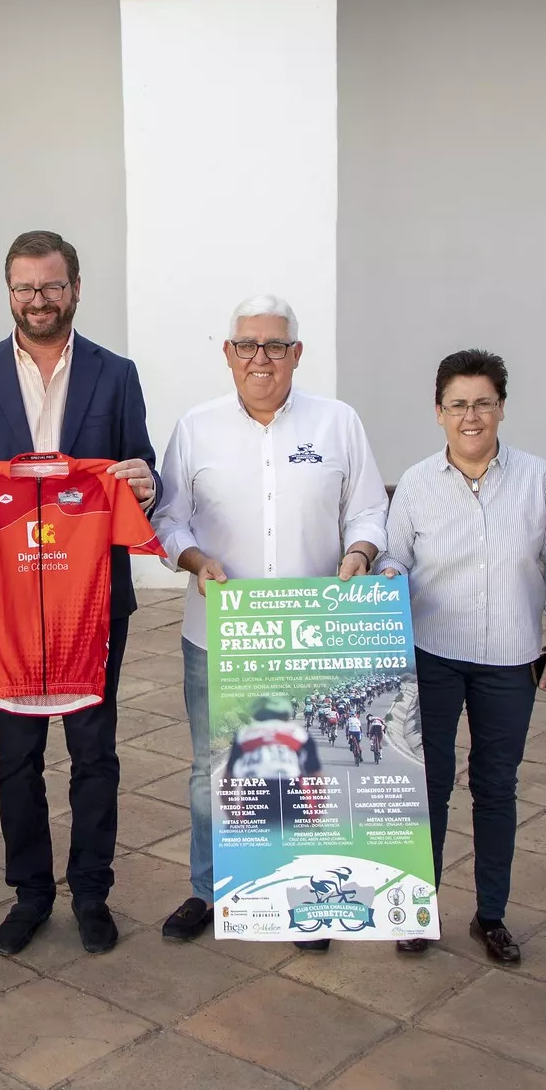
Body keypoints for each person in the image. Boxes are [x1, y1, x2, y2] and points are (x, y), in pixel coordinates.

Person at [0, 230, 158, 957]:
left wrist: (147, 483)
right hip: (7, 597)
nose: (39, 299)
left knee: (95, 751)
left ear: (76, 288)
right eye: (25, 287)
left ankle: (92, 889)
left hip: (90, 598)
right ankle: (30, 891)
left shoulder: (115, 373)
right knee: (15, 755)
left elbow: (140, 465)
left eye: (52, 286)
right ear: (9, 293)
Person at [149, 295, 387, 946]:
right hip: (221, 631)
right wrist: (194, 557)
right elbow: (167, 518)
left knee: (311, 762)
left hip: (313, 631)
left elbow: (368, 510)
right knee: (213, 767)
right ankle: (210, 889)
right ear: (228, 353)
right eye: (247, 345)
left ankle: (304, 892)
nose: (261, 357)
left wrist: (361, 550)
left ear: (296, 354)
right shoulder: (196, 427)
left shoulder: (337, 423)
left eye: (274, 345)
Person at [379, 349, 546, 964]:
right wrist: (381, 577)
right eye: (458, 404)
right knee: (427, 786)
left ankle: (490, 916)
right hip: (432, 653)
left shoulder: (536, 478)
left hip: (510, 658)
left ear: (501, 409)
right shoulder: (414, 483)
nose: (471, 416)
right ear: (438, 412)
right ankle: (418, 909)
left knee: (495, 786)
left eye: (483, 403)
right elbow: (396, 556)